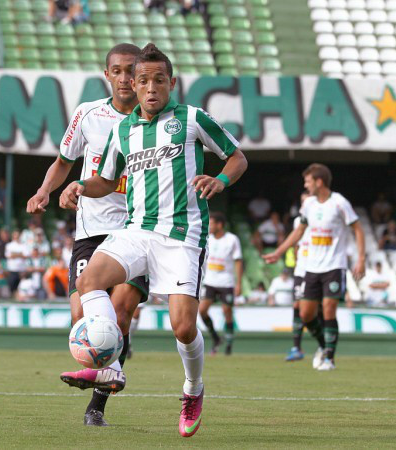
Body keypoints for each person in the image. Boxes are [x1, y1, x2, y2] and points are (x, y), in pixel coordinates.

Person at [58, 44, 247, 437]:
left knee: (182, 328)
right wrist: (79, 185)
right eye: (142, 80)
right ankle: (108, 364)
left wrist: (220, 179)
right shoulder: (122, 130)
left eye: (158, 80)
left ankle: (193, 389)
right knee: (88, 282)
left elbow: (236, 157)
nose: (149, 87)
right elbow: (107, 180)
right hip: (136, 230)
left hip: (182, 235)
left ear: (171, 83)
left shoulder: (193, 119)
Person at [26, 43, 149, 427]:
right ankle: (112, 367)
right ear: (107, 74)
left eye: (132, 70)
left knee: (121, 312)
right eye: (118, 70)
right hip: (92, 231)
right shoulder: (88, 115)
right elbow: (64, 161)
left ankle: (96, 406)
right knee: (82, 315)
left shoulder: (156, 121)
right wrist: (46, 189)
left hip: (138, 229)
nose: (126, 78)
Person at [264, 163, 365, 372]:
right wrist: (279, 252)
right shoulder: (308, 204)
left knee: (328, 309)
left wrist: (361, 258)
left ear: (319, 182)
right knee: (306, 315)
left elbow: (358, 230)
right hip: (311, 268)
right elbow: (298, 232)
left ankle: (329, 357)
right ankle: (323, 345)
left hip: (334, 267)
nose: (305, 184)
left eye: (308, 181)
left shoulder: (339, 203)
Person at [199, 212, 242, 355]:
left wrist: (238, 283)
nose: (209, 226)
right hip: (210, 281)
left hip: (226, 282)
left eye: (212, 223)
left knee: (227, 312)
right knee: (202, 310)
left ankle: (229, 346)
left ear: (220, 225)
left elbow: (238, 261)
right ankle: (215, 338)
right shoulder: (207, 238)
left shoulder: (232, 240)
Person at [285, 190, 313, 362]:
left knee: (313, 310)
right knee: (297, 306)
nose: (304, 205)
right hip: (301, 269)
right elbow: (296, 244)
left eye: (307, 201)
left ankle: (324, 347)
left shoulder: (321, 220)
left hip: (317, 269)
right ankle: (296, 347)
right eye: (302, 202)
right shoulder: (298, 221)